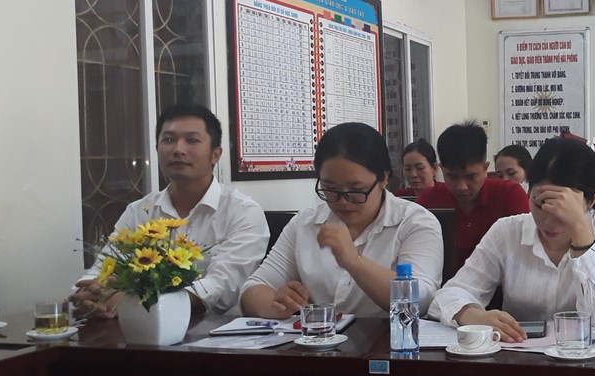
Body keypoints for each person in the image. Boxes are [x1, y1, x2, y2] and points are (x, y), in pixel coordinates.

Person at [71, 104, 269, 317]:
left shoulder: (243, 212)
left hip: (214, 331)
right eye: (168, 140)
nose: (178, 149)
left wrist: (134, 303)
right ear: (157, 149)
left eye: (192, 140)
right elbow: (104, 267)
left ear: (215, 154)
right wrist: (90, 293)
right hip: (136, 331)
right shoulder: (140, 211)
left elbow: (221, 287)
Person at [428, 138, 595, 342]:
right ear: (528, 192)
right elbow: (446, 297)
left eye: (564, 209)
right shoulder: (508, 231)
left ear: (592, 200)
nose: (549, 220)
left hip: (586, 357)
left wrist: (580, 229)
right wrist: (472, 316)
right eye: (540, 204)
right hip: (517, 354)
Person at [240, 123, 443, 318]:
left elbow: (421, 300)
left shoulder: (415, 223)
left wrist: (354, 262)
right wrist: (275, 304)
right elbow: (253, 288)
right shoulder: (305, 223)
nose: (343, 201)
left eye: (356, 190)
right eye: (330, 189)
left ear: (383, 178)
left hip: (390, 340)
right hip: (318, 339)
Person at [418, 121, 529, 267]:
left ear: (485, 168)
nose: (462, 187)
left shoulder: (509, 195)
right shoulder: (429, 201)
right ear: (440, 169)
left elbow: (525, 255)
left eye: (471, 177)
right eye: (452, 177)